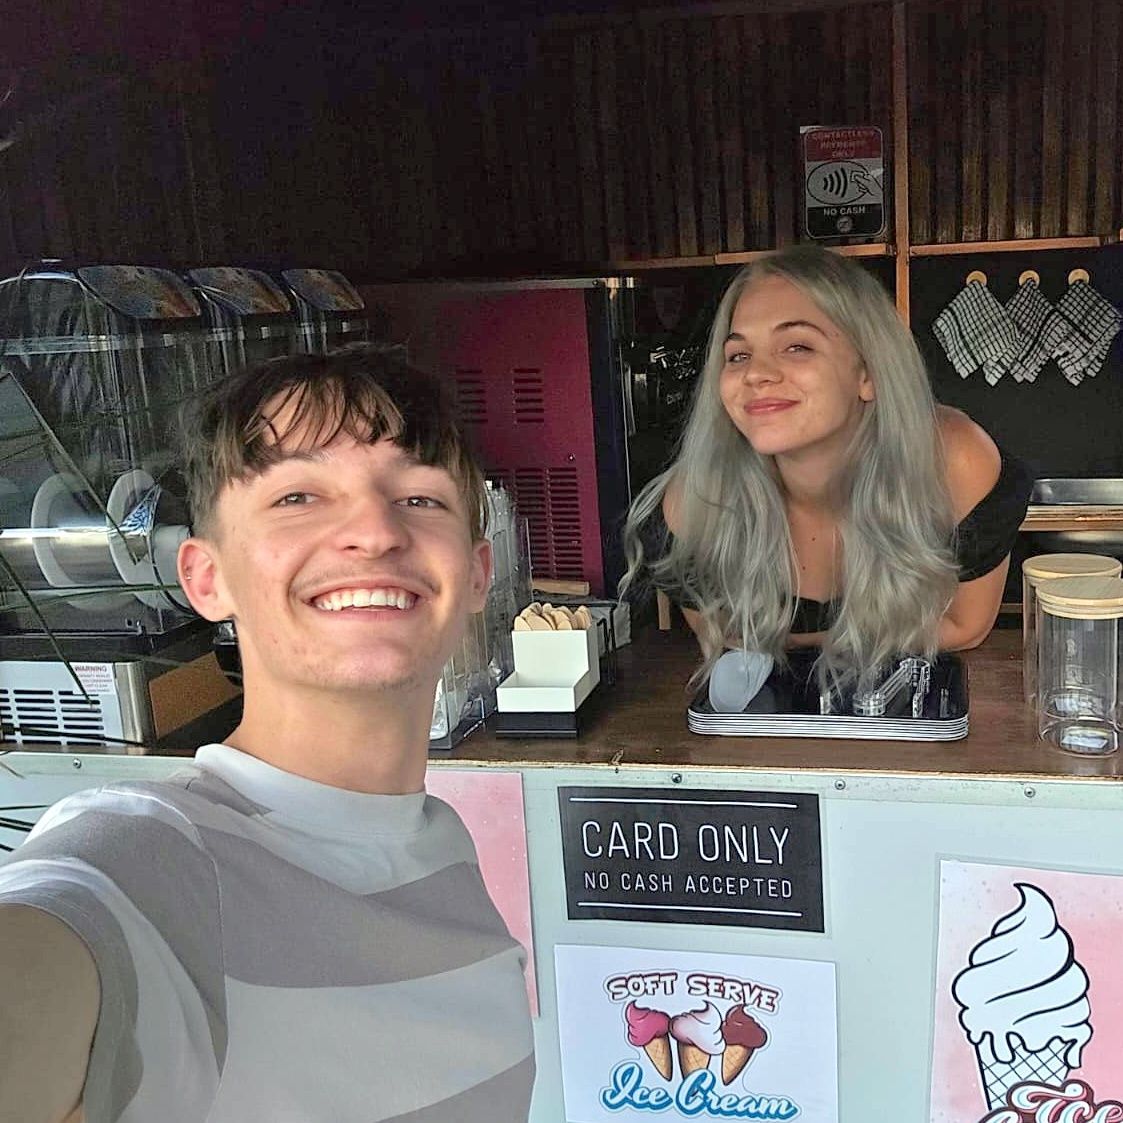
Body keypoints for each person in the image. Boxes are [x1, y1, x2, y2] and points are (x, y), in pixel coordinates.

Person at [0, 347, 536, 1123]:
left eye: (418, 498)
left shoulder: (437, 844)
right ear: (205, 577)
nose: (373, 531)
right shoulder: (150, 861)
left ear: (477, 570)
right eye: (298, 496)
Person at [623, 245, 1031, 691]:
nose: (756, 374)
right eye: (738, 355)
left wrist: (805, 646)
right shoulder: (696, 503)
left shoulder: (955, 462)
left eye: (797, 346)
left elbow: (965, 626)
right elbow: (726, 642)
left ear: (869, 374)